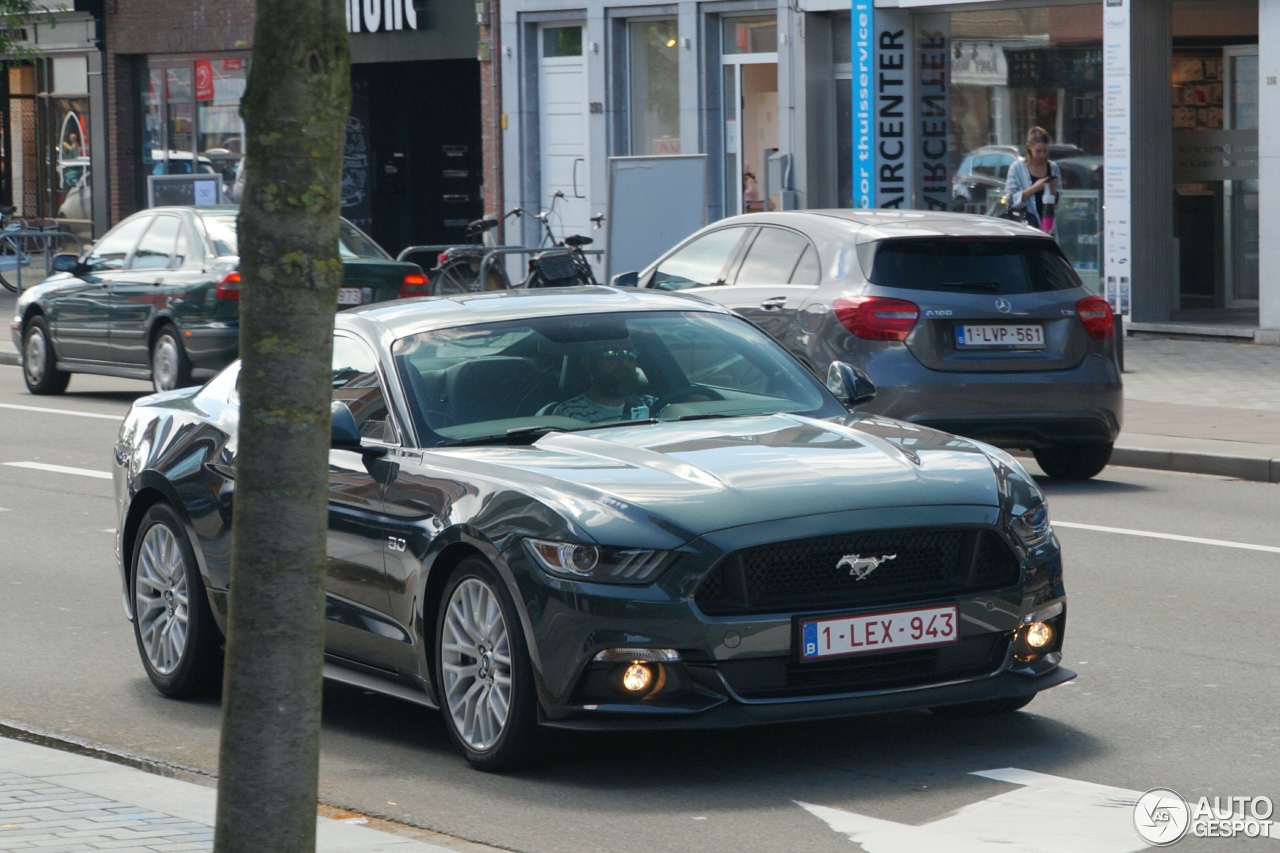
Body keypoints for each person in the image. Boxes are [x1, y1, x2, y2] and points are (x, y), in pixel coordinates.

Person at [551, 340, 657, 423]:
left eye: (630, 353)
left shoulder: (650, 404)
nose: (624, 361)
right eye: (610, 354)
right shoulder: (570, 414)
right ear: (587, 363)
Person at [1002, 126, 1062, 234]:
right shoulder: (1017, 168)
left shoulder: (1053, 168)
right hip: (1025, 229)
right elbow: (1010, 200)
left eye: (1045, 151)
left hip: (1048, 227)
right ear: (1029, 147)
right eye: (1038, 151)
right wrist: (1035, 188)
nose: (1042, 155)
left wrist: (1054, 192)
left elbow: (1058, 203)